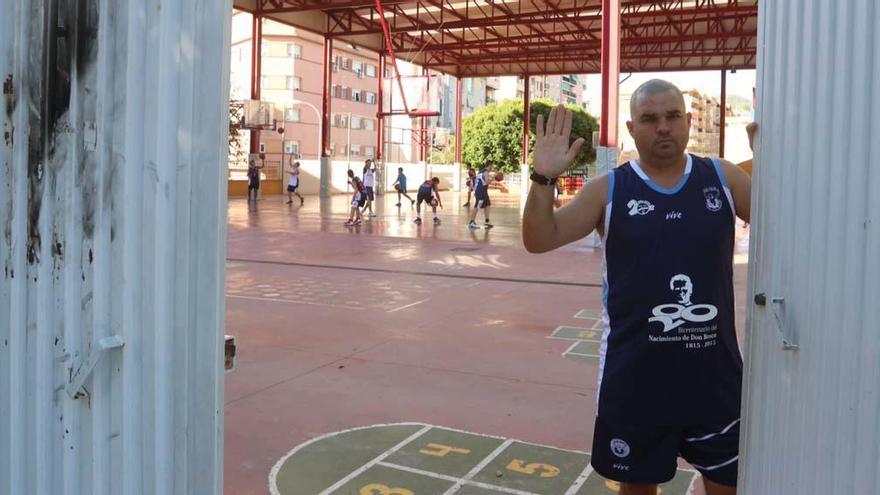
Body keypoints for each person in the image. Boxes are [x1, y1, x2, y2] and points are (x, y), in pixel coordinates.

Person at [522, 80, 751, 495]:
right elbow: (539, 238)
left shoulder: (722, 177)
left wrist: (770, 153)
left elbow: (787, 214)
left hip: (714, 381)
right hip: (636, 382)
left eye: (672, 116)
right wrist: (542, 177)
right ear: (632, 128)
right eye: (650, 119)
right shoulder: (610, 190)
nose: (663, 127)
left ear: (686, 121)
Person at [467, 165, 493, 230]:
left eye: (473, 171)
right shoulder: (482, 173)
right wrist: (493, 177)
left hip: (483, 192)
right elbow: (486, 182)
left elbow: (471, 189)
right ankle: (471, 222)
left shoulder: (478, 175)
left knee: (488, 204)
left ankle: (487, 221)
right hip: (480, 192)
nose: (473, 172)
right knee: (477, 206)